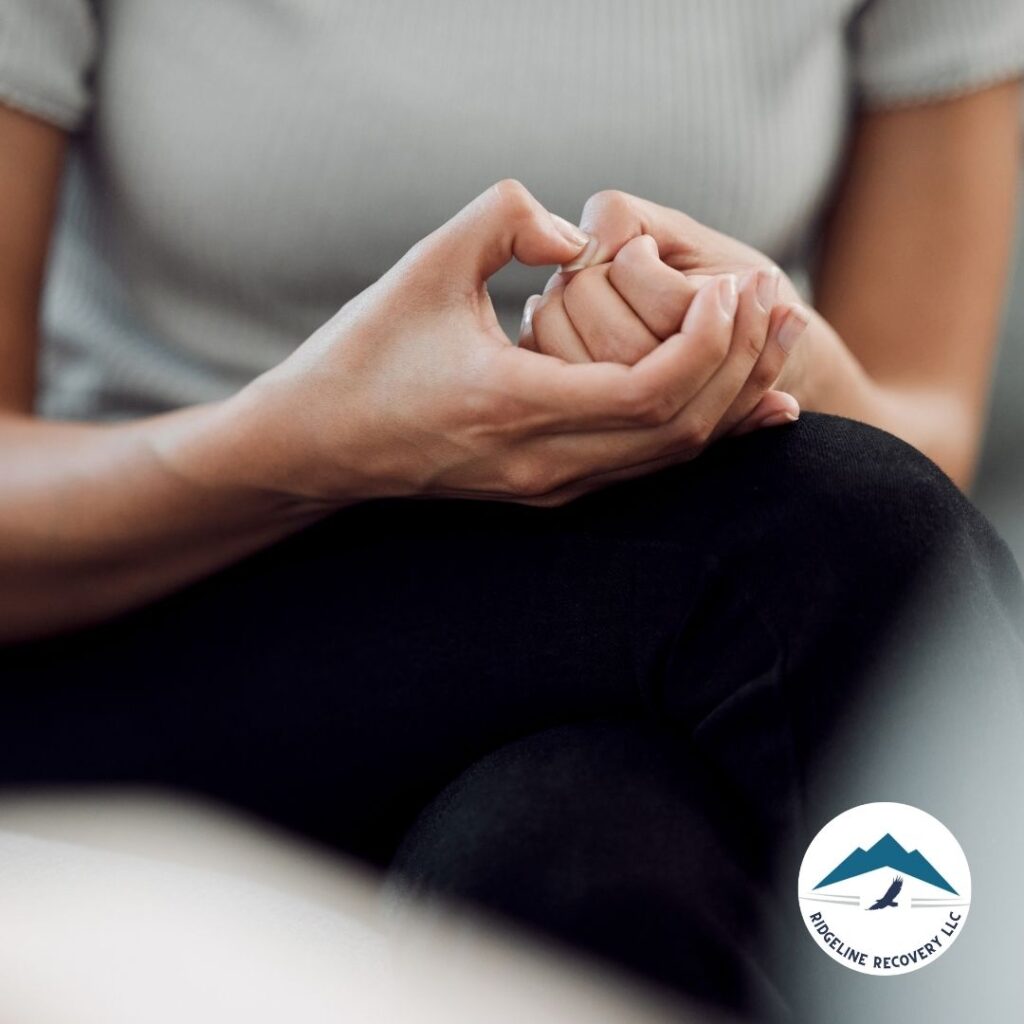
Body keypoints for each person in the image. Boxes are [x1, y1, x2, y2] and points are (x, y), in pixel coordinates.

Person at [1, 2, 1023, 1018]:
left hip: (625, 630)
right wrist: (308, 443)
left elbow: (923, 418)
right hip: (148, 630)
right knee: (827, 525)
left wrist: (771, 348)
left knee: (582, 861)